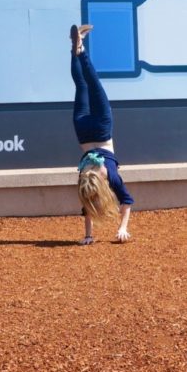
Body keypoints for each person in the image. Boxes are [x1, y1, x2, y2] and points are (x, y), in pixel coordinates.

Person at [70, 24, 134, 245]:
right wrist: (88, 236)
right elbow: (88, 206)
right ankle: (75, 49)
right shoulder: (83, 179)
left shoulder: (109, 175)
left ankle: (80, 49)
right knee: (81, 86)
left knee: (93, 84)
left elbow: (127, 201)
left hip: (102, 130)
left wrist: (122, 229)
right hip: (82, 131)